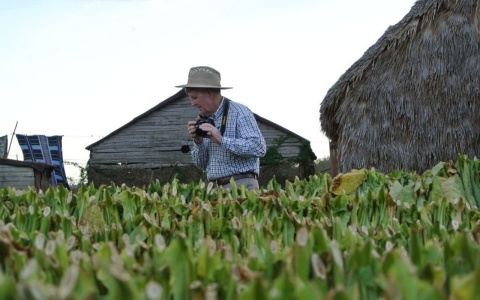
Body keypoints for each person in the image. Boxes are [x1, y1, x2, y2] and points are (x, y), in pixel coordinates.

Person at [178, 66, 266, 190]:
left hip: (243, 186)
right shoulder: (204, 120)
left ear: (208, 93)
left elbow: (259, 147)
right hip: (216, 189)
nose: (192, 103)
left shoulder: (240, 112)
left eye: (194, 97)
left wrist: (221, 139)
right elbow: (202, 165)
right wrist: (198, 141)